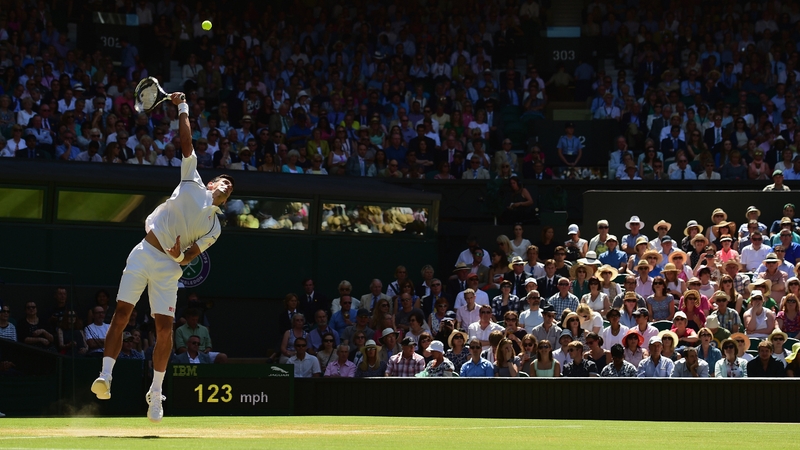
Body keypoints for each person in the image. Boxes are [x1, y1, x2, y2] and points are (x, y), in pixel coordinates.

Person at [91, 93, 235, 423]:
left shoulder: (214, 228)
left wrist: (179, 256)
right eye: (224, 180)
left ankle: (156, 393)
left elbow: (190, 256)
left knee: (164, 329)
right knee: (122, 313)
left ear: (225, 201)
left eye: (230, 188)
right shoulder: (192, 179)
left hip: (169, 268)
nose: (226, 186)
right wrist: (183, 108)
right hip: (144, 253)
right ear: (212, 183)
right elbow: (186, 141)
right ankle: (106, 376)